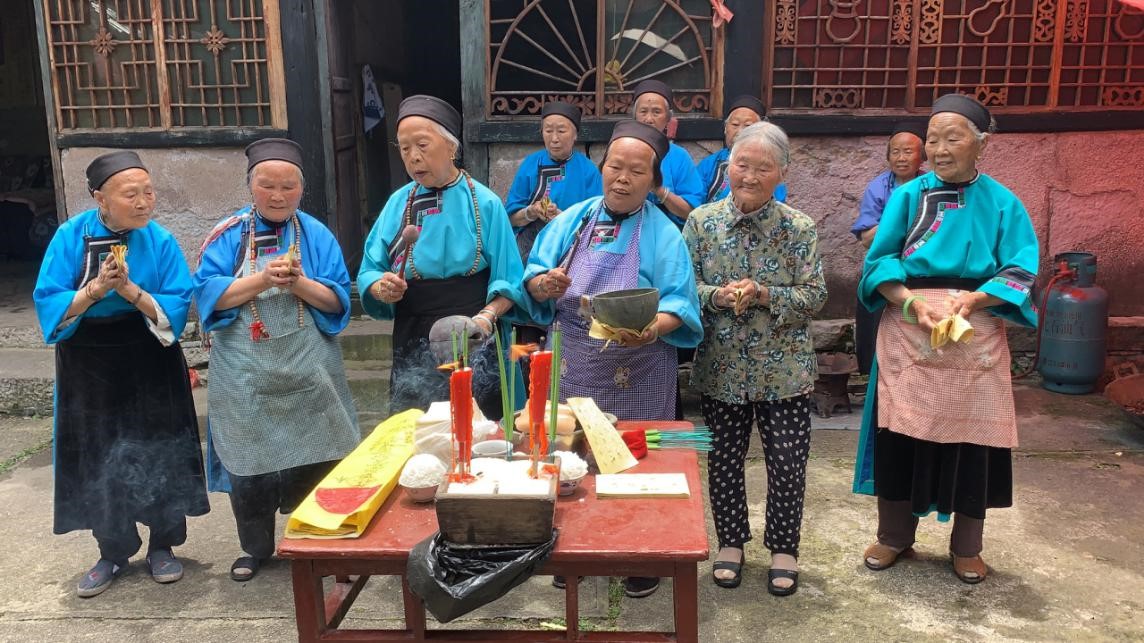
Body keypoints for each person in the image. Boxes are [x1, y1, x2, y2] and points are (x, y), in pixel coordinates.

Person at [853, 94, 1039, 584]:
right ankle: (895, 536)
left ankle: (967, 545)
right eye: (932, 138)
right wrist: (912, 303)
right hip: (910, 331)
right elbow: (880, 264)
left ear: (981, 143)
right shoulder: (907, 197)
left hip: (974, 335)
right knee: (901, 435)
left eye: (952, 137)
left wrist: (974, 302)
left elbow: (1020, 267)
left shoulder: (1004, 202)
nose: (938, 148)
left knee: (974, 440)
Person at [523, 120, 703, 598]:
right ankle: (572, 549)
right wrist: (544, 284)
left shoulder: (664, 234)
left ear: (653, 181)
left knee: (635, 460)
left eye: (637, 171)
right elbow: (536, 277)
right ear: (602, 169)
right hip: (574, 358)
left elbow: (681, 304)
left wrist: (651, 330)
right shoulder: (573, 219)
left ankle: (639, 555)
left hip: (638, 362)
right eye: (615, 167)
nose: (623, 178)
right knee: (570, 455)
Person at [34, 151, 209, 597]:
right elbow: (50, 301)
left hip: (149, 355)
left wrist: (129, 290)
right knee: (99, 452)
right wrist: (94, 291)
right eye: (130, 194)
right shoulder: (70, 236)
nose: (143, 202)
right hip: (89, 360)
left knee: (160, 446)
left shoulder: (161, 240)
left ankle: (163, 545)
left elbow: (176, 304)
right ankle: (111, 552)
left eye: (148, 192)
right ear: (100, 199)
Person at [193, 138, 361, 582]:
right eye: (268, 185)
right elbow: (209, 297)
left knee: (318, 455)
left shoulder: (316, 235)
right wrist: (262, 278)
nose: (278, 195)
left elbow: (336, 300)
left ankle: (313, 539)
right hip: (246, 373)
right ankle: (255, 549)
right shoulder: (228, 235)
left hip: (308, 367)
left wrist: (298, 284)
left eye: (288, 186)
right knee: (250, 465)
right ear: (251, 187)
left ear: (300, 190)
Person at [684, 121, 826, 596]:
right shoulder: (702, 222)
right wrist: (718, 296)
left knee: (787, 461)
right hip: (722, 366)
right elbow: (684, 290)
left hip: (783, 370)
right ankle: (730, 544)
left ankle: (784, 549)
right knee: (723, 459)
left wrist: (765, 293)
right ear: (728, 166)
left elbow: (815, 296)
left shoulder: (798, 227)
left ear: (781, 172)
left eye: (762, 168)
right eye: (742, 164)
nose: (749, 175)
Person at [358, 95, 535, 417]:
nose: (413, 158)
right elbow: (370, 268)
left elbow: (509, 278)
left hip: (473, 329)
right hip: (414, 331)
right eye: (404, 148)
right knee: (420, 430)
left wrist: (486, 317)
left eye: (422, 145)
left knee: (483, 427)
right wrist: (380, 287)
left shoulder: (485, 202)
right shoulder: (399, 203)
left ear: (451, 147)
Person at [504, 101, 602, 351]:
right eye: (548, 130)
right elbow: (511, 217)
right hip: (531, 248)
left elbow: (598, 219)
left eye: (562, 130)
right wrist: (531, 211)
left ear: (575, 134)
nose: (554, 138)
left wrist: (563, 218)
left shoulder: (588, 171)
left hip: (572, 251)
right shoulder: (530, 165)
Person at [849, 121, 927, 375]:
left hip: (921, 267)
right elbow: (867, 239)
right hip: (884, 265)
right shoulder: (878, 187)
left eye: (908, 151)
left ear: (922, 156)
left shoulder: (931, 186)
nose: (901, 158)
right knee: (874, 328)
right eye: (895, 151)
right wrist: (901, 217)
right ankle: (874, 376)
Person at [629, 79, 704, 227]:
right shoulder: (622, 150)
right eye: (643, 111)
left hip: (667, 235)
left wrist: (660, 191)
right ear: (635, 115)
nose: (649, 119)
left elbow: (692, 212)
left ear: (668, 118)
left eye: (656, 112)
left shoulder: (679, 157)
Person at [695, 95, 788, 205]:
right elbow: (696, 201)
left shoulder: (770, 165)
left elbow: (778, 204)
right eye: (735, 124)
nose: (740, 132)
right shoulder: (709, 164)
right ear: (725, 128)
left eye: (748, 125)